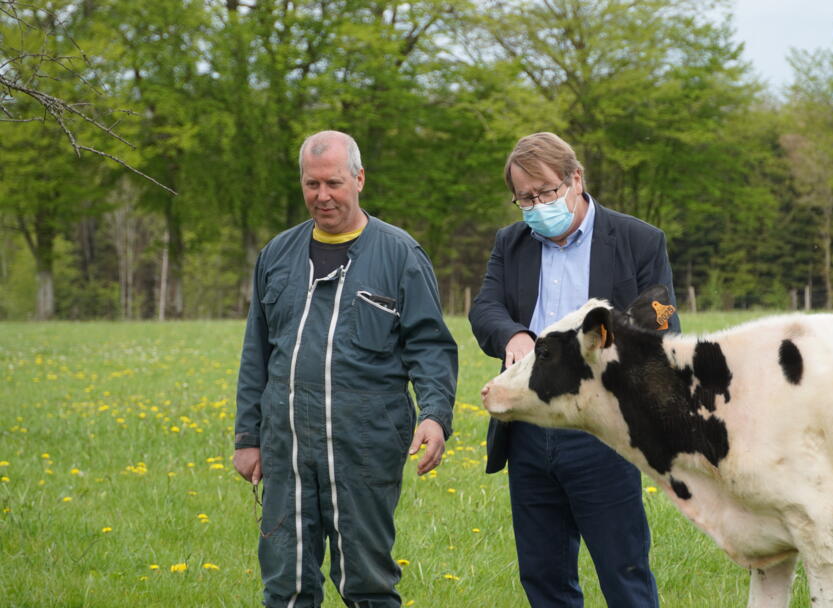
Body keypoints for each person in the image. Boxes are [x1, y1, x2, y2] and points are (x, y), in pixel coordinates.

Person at [233, 130, 458, 608]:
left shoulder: (400, 256)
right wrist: (247, 439)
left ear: (358, 179)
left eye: (333, 183)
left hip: (365, 444)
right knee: (285, 580)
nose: (322, 196)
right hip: (286, 445)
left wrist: (435, 416)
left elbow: (431, 348)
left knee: (366, 581)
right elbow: (256, 354)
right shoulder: (276, 256)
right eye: (312, 185)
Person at [469, 132, 680, 607]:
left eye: (546, 191)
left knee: (623, 572)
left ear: (575, 179)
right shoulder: (512, 243)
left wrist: (603, 345)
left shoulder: (638, 239)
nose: (538, 204)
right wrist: (513, 335)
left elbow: (663, 317)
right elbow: (485, 308)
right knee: (543, 578)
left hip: (601, 429)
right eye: (526, 197)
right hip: (528, 427)